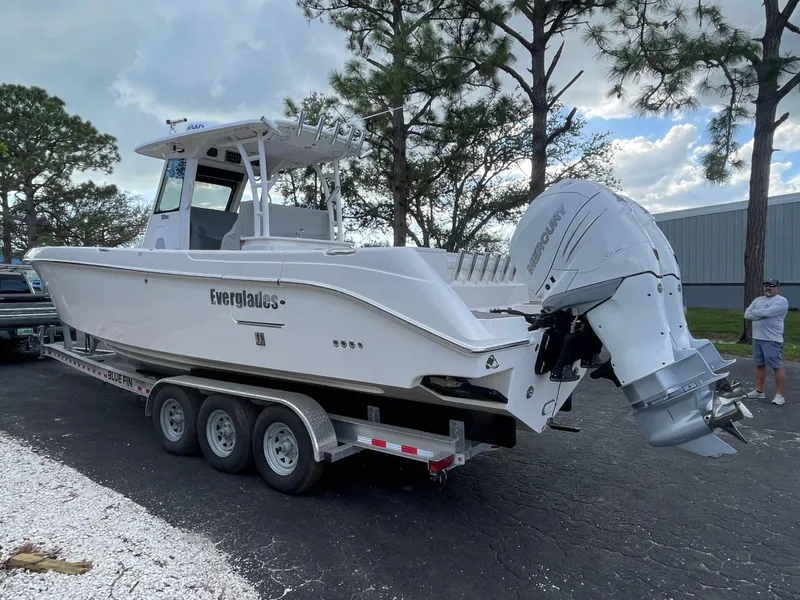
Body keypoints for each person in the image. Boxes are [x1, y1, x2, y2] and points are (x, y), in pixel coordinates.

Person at [744, 279, 788, 405]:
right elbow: (747, 314)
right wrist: (760, 314)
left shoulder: (781, 301)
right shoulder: (758, 300)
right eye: (766, 286)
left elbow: (768, 313)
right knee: (760, 365)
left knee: (776, 366)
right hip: (757, 338)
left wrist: (757, 313)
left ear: (777, 288)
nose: (768, 288)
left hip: (772, 339)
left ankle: (780, 395)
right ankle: (759, 391)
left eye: (771, 286)